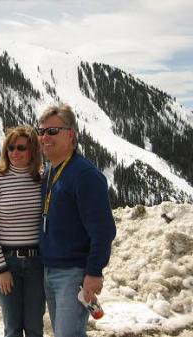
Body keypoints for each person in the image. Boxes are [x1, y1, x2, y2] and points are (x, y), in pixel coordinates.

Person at [37, 104, 117, 337]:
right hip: (50, 270)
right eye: (41, 131)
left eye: (52, 131)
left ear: (70, 134)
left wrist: (94, 272)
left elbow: (104, 231)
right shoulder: (52, 170)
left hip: (72, 274)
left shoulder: (85, 175)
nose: (44, 137)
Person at [0, 126, 45, 337]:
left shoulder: (41, 180)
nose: (14, 152)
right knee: (13, 329)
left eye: (21, 148)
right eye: (10, 147)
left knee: (35, 327)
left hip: (37, 263)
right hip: (8, 263)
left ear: (32, 151)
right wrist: (1, 269)